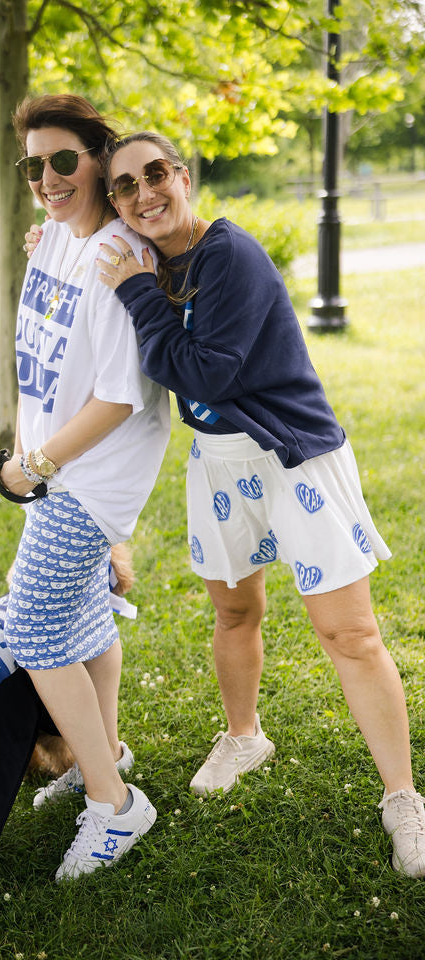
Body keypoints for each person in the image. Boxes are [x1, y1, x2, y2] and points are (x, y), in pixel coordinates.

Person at [88, 130, 424, 878]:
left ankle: (403, 798)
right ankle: (245, 735)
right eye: (125, 185)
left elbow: (205, 374)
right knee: (235, 612)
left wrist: (138, 294)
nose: (144, 193)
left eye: (156, 175)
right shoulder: (148, 253)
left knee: (351, 635)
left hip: (291, 455)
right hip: (218, 464)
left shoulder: (226, 256)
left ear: (183, 175)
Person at [0, 99, 171, 882]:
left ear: (100, 159)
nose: (47, 179)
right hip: (62, 470)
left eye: (63, 160)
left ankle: (114, 802)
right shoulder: (58, 244)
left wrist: (36, 466)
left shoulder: (113, 255)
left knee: (33, 623)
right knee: (86, 615)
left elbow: (117, 396)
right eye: (34, 166)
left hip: (89, 478)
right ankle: (103, 750)